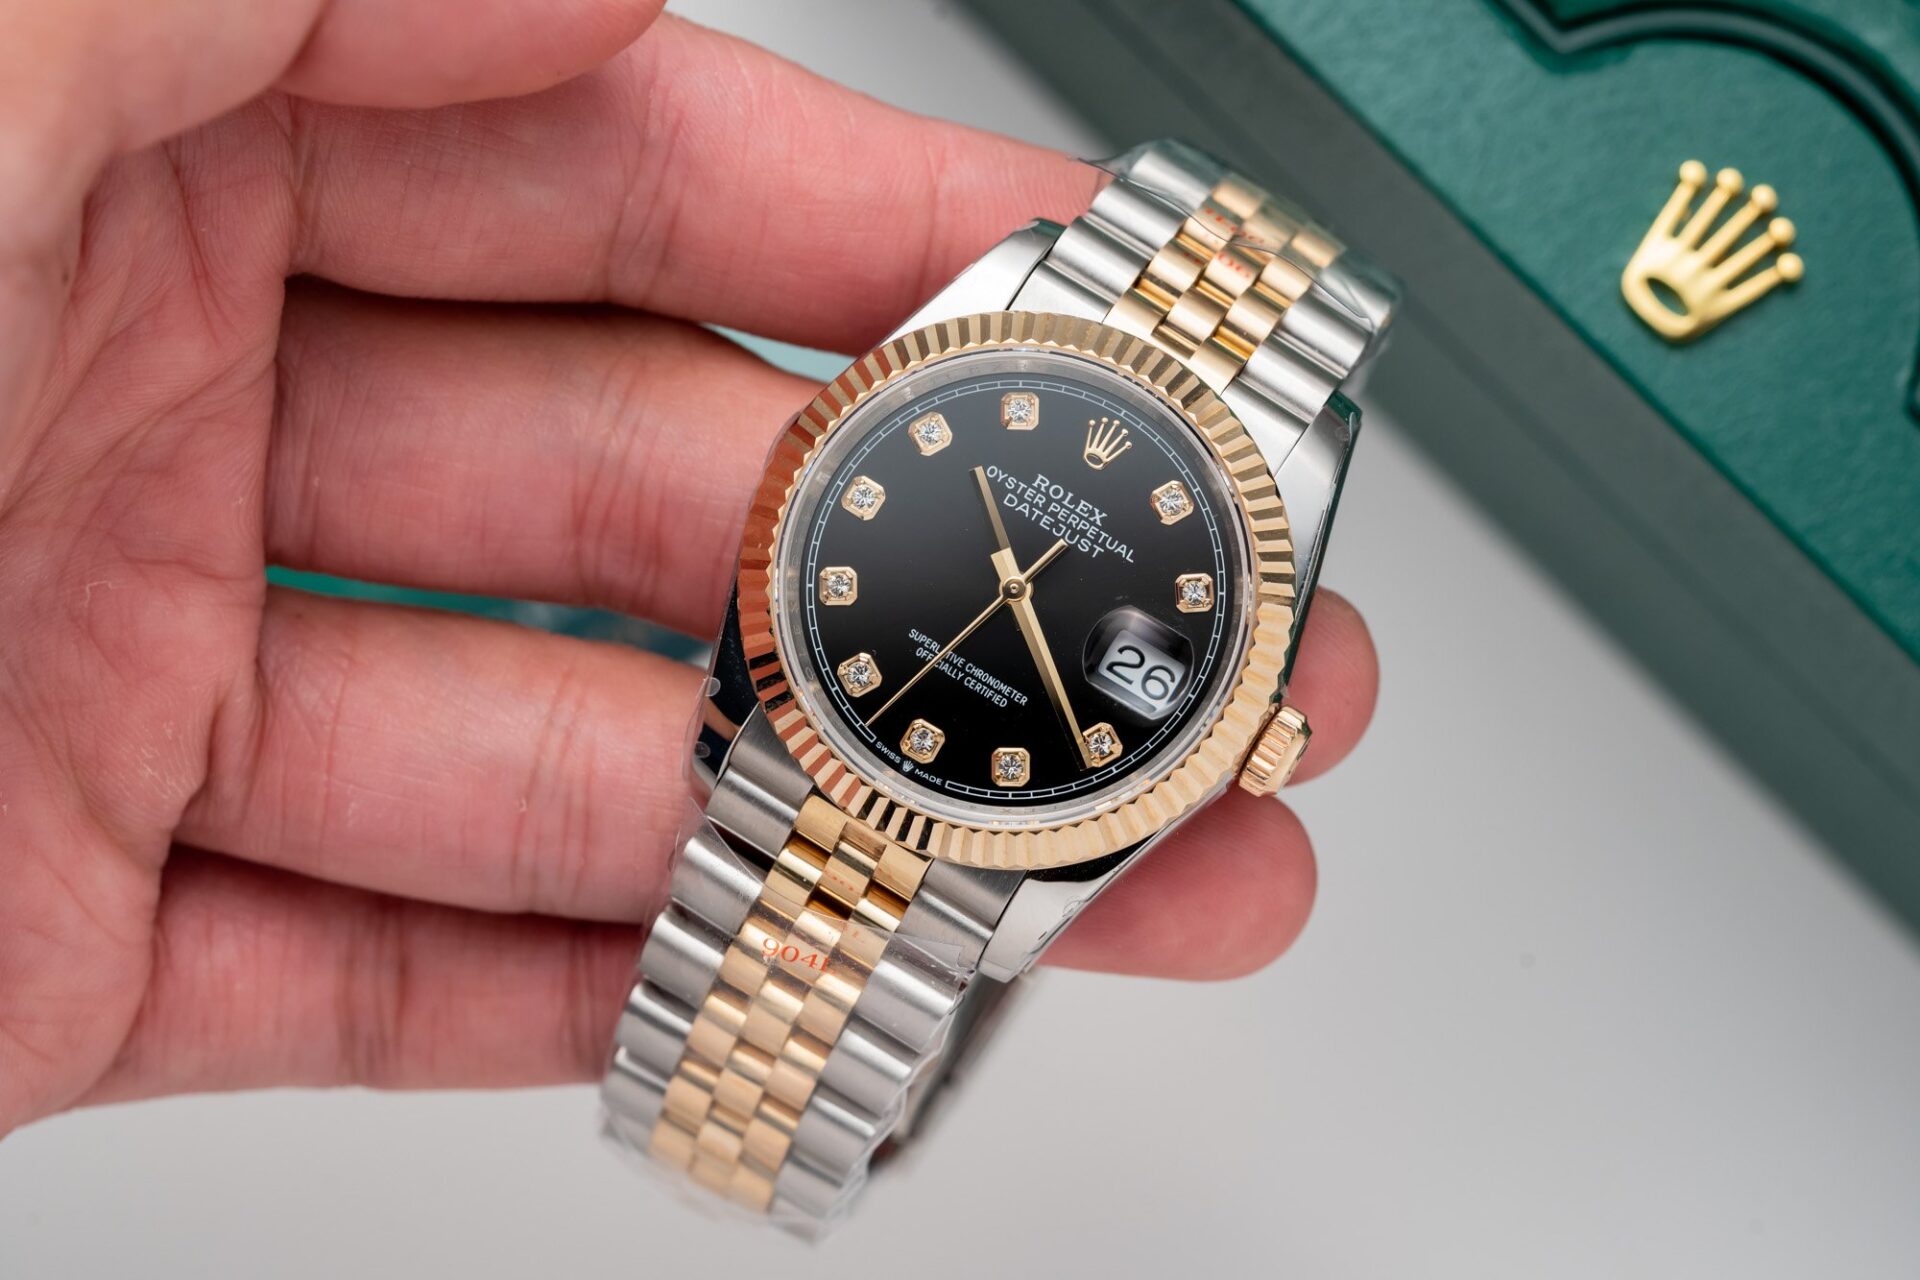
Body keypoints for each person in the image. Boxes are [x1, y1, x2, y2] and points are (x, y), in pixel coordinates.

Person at [0, 1, 1377, 1137]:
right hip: (830, 718)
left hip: (925, 784)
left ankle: (751, 1142)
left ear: (1239, 736)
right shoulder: (985, 326)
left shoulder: (1237, 520)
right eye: (1013, 565)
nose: (1016, 590)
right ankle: (733, 1137)